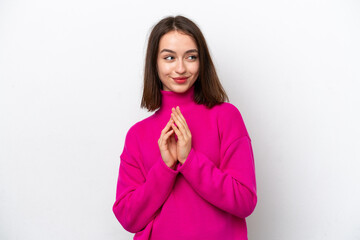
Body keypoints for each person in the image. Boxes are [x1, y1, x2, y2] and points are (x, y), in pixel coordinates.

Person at [112, 15, 257, 240]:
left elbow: (244, 201)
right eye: (169, 57)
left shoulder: (226, 117)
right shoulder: (137, 135)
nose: (180, 68)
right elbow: (128, 218)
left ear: (202, 62)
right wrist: (165, 168)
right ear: (155, 63)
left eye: (191, 57)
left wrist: (190, 160)